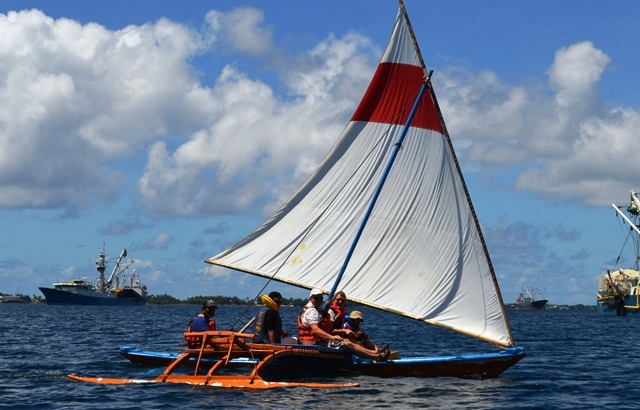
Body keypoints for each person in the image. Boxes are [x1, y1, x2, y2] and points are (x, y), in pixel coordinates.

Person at [297, 289, 390, 361]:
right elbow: (316, 329)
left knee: (357, 338)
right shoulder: (313, 311)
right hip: (314, 343)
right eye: (316, 298)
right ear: (310, 299)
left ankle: (375, 352)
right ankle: (375, 356)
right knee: (347, 342)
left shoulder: (318, 310)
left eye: (321, 298)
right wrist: (333, 337)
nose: (319, 300)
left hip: (319, 340)